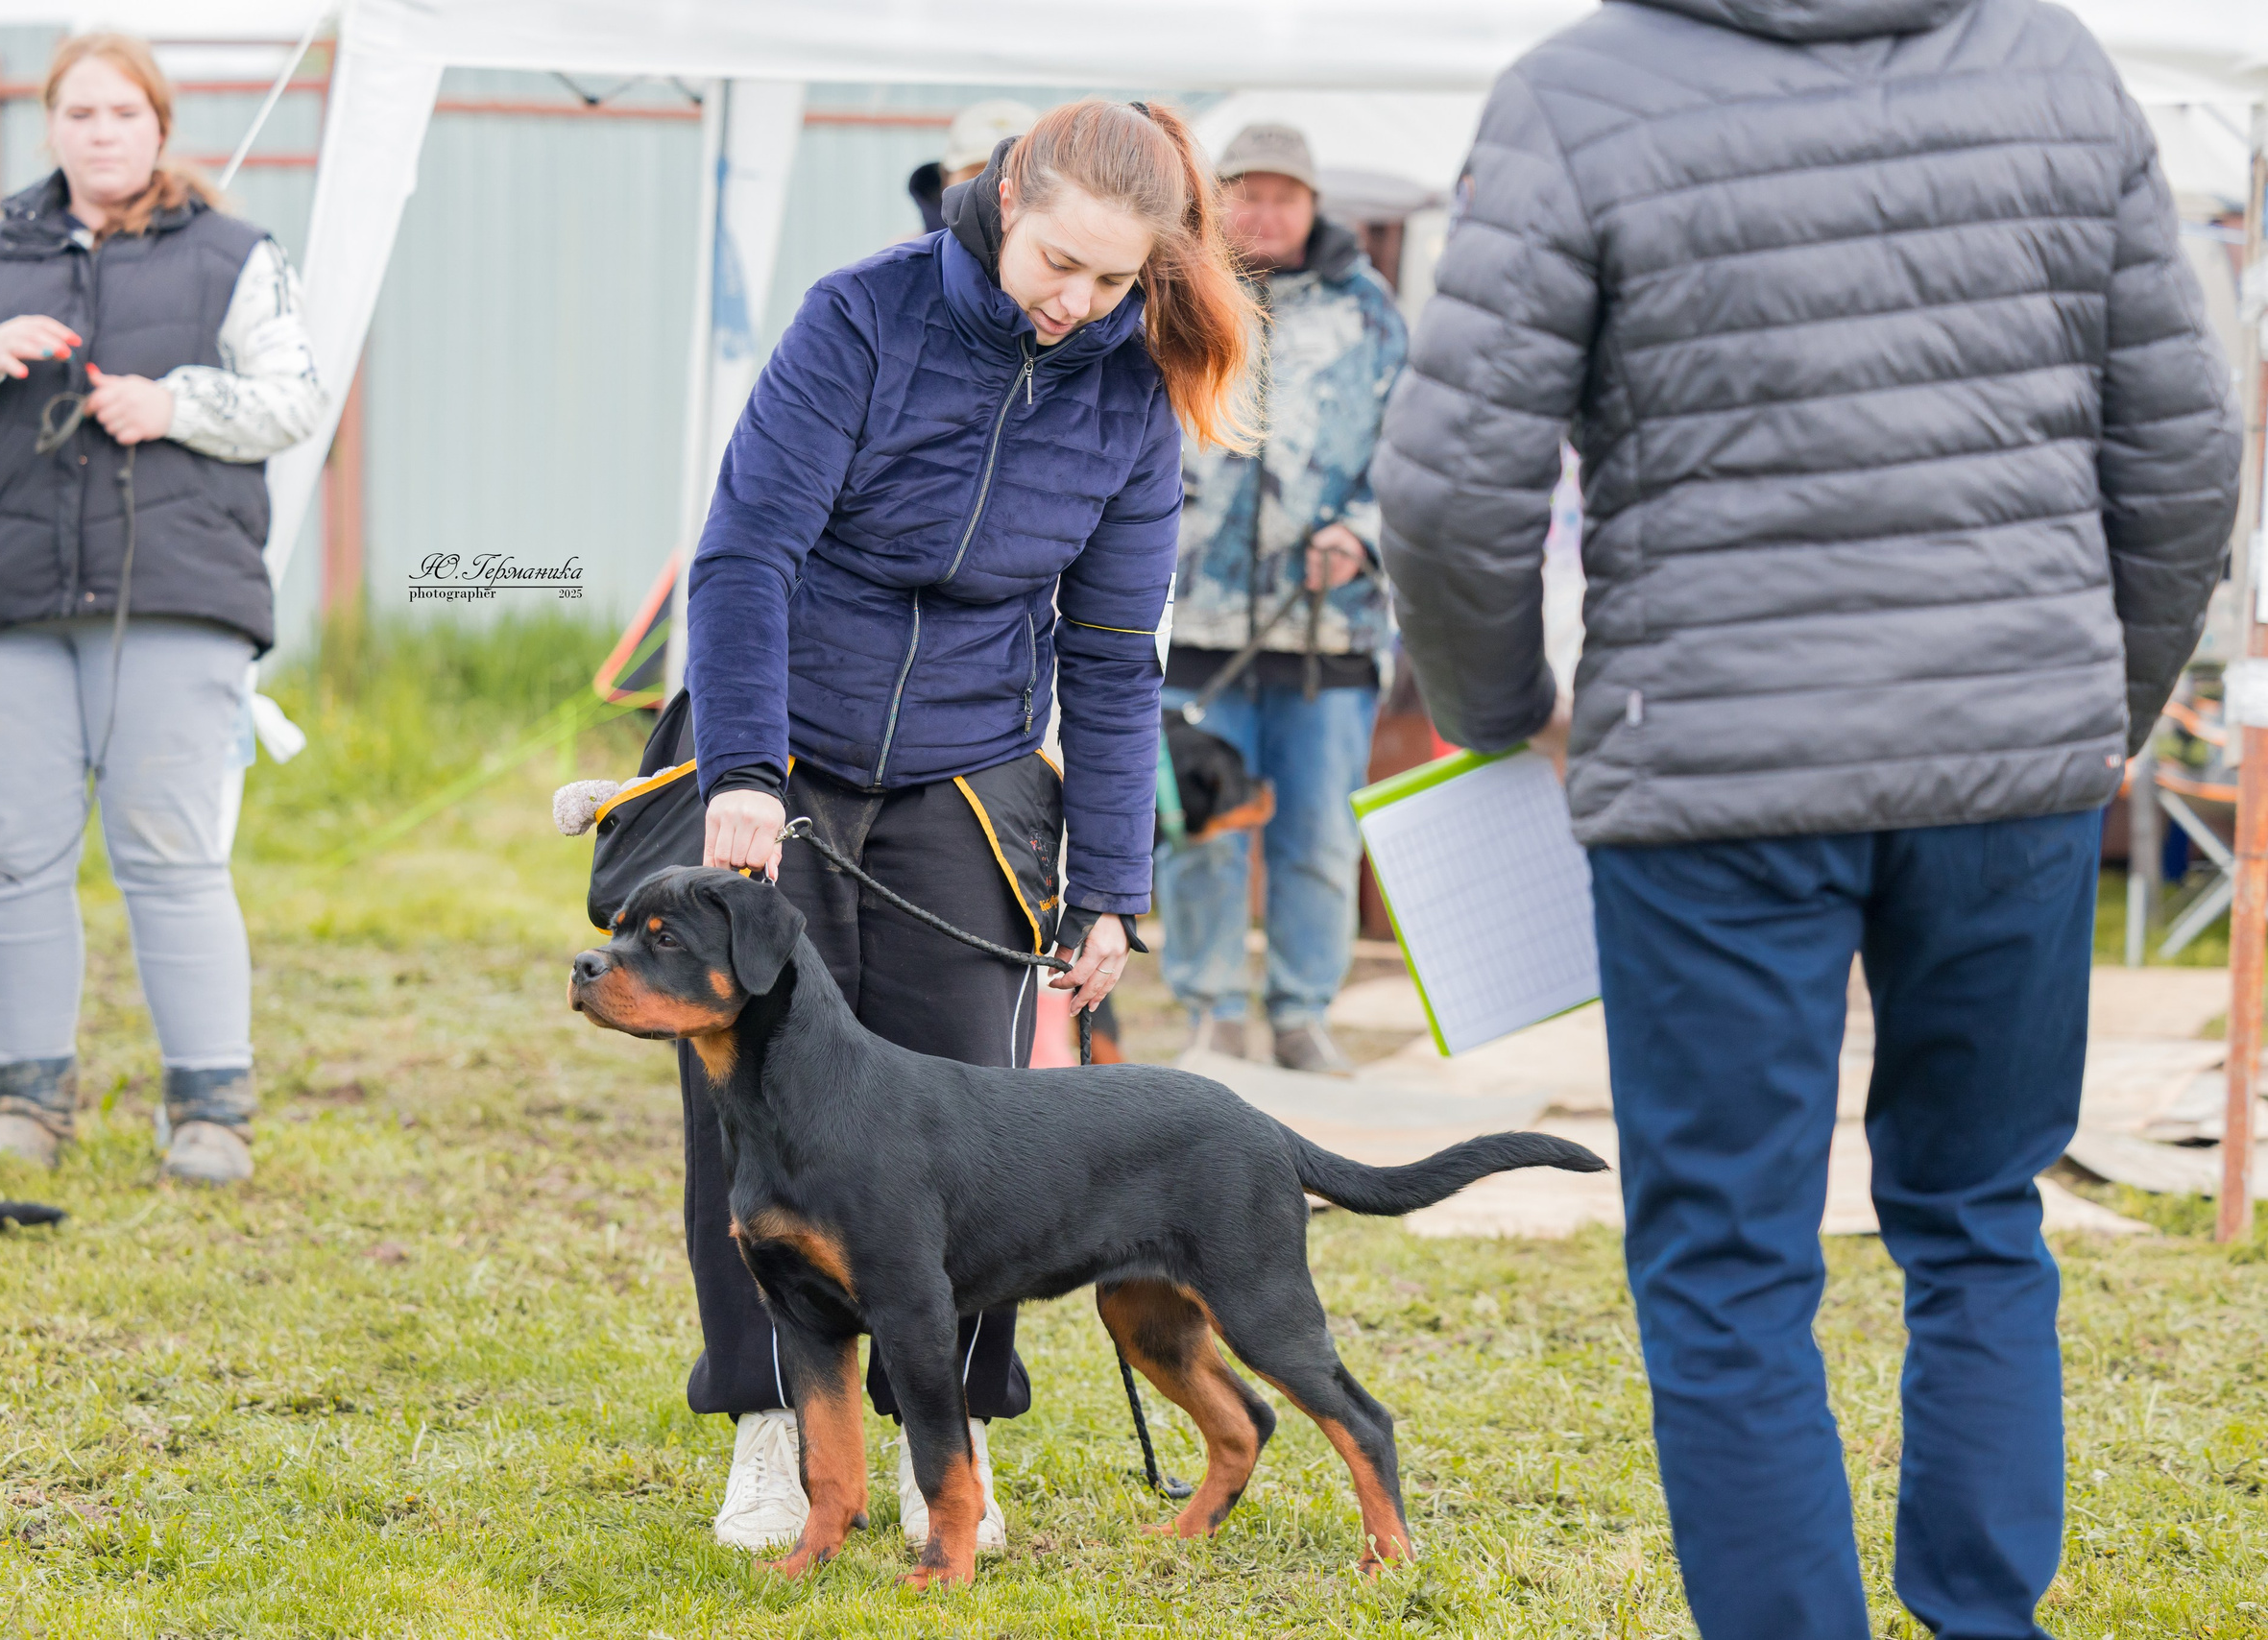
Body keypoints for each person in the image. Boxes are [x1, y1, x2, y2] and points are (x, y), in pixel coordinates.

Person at [1373, 0, 2241, 1635]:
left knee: (1725, 1257)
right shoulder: (2053, 63)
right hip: (2009, 758)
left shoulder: (1577, 91)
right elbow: (2188, 449)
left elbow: (1446, 485)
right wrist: (2091, 714)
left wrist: (1497, 718)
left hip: (1710, 775)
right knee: (1984, 1214)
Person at [677, 97, 1251, 1557]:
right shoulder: (861, 318)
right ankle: (772, 1431)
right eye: (1059, 263)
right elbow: (747, 552)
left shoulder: (1131, 393)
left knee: (978, 1127)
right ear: (1007, 197)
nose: (1077, 303)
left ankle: (962, 1452)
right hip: (781, 758)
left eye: (1115, 283)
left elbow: (1116, 660)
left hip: (972, 778)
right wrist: (743, 767)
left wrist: (1109, 885)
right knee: (760, 1110)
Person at [0, 33, 326, 1186]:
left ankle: (211, 1112)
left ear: (159, 126)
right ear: (54, 126)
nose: (103, 132)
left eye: (125, 113)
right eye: (81, 113)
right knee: (17, 856)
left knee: (171, 855)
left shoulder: (236, 255)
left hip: (172, 597)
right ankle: (27, 1101)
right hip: (0, 603)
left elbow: (295, 399)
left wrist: (170, 402)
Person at [1159, 123, 1406, 1074]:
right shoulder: (1175, 295)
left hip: (1328, 632)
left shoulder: (1371, 312)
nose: (1264, 211)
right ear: (1219, 200)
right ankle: (1211, 1013)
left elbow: (1418, 452)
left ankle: (1302, 1015)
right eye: (1246, 193)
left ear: (1313, 205)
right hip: (1197, 629)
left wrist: (1363, 533)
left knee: (1315, 834)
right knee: (1200, 835)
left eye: (1284, 195)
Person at [907, 98, 1038, 233]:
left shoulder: (1057, 249)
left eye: (1012, 175)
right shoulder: (908, 253)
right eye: (977, 175)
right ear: (946, 179)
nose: (994, 189)